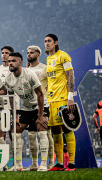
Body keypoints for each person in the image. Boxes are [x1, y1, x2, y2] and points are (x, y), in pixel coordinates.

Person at [3, 52, 48, 171]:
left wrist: (40, 116)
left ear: (20, 63)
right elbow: (11, 98)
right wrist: (15, 117)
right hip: (26, 108)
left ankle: (42, 164)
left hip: (40, 106)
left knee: (41, 129)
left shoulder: (29, 74)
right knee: (15, 131)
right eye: (9, 61)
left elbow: (40, 94)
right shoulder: (8, 78)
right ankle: (18, 165)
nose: (10, 63)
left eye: (13, 61)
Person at [45, 34, 76, 171]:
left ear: (55, 42)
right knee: (55, 130)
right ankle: (58, 163)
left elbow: (71, 76)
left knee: (66, 128)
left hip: (63, 98)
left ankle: (71, 163)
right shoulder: (48, 59)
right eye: (45, 41)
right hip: (51, 99)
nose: (47, 43)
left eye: (49, 41)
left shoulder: (63, 56)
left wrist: (70, 97)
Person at [26, 45, 55, 170]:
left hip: (44, 104)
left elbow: (52, 83)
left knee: (46, 134)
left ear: (38, 55)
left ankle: (48, 163)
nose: (29, 54)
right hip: (30, 105)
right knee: (32, 135)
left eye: (31, 53)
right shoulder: (25, 70)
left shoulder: (45, 68)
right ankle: (34, 164)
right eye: (28, 53)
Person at [0, 46, 20, 143]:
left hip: (12, 106)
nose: (4, 55)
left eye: (7, 53)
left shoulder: (15, 69)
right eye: (3, 53)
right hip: (0, 105)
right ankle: (2, 156)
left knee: (13, 133)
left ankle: (15, 157)